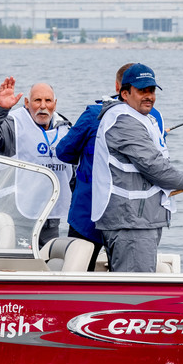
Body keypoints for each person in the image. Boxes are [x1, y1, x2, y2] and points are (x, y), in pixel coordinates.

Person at [90, 64, 183, 272]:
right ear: (124, 93)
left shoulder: (140, 118)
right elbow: (153, 165)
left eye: (151, 91)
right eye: (142, 91)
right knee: (134, 293)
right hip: (131, 223)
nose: (149, 96)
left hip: (139, 221)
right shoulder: (123, 121)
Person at [56, 63, 164, 270]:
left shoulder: (93, 115)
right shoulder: (154, 117)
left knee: (79, 270)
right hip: (133, 217)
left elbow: (64, 152)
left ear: (118, 87)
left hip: (88, 212)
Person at [0, 77, 73, 248]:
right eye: (37, 100)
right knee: (21, 262)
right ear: (27, 103)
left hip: (50, 216)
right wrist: (0, 109)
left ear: (54, 104)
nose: (43, 106)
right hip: (16, 216)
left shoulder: (65, 128)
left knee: (46, 263)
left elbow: (73, 173)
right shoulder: (12, 126)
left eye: (48, 100)